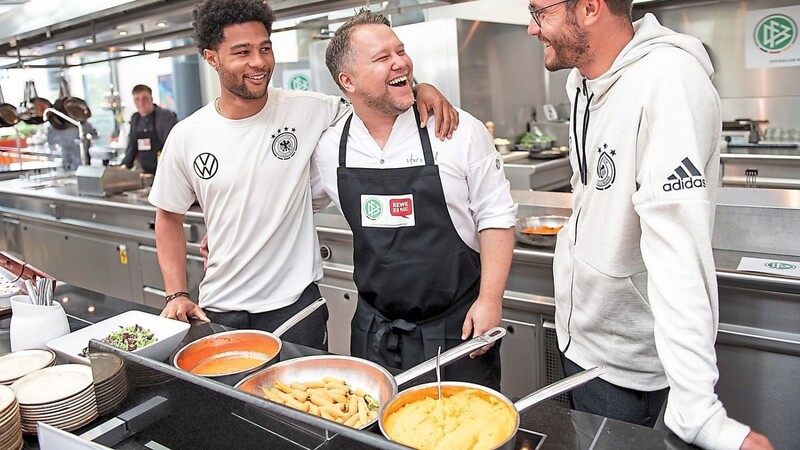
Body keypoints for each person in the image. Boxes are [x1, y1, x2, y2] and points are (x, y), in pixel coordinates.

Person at [526, 1, 772, 449]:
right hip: (577, 334)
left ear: (589, 8)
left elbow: (678, 246)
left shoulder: (669, 80)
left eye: (539, 12)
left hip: (625, 361)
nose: (530, 28)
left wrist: (696, 407)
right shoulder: (580, 81)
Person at [148, 0, 457, 351]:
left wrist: (419, 89)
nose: (259, 62)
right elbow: (168, 217)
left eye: (265, 47)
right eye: (242, 51)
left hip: (296, 309)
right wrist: (176, 293)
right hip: (221, 309)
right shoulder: (188, 135)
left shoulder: (312, 109)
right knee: (229, 406)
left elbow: (376, 98)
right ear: (211, 58)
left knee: (301, 405)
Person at [311, 11, 516, 390]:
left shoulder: (455, 131)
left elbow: (496, 217)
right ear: (347, 81)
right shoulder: (329, 147)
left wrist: (490, 300)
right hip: (374, 330)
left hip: (458, 327)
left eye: (401, 51)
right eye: (382, 57)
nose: (401, 62)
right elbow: (294, 205)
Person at [121, 84, 178, 174]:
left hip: (166, 170)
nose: (141, 103)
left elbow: (171, 147)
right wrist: (124, 166)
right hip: (145, 170)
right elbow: (132, 146)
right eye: (137, 99)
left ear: (151, 99)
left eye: (144, 99)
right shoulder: (135, 118)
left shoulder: (165, 116)